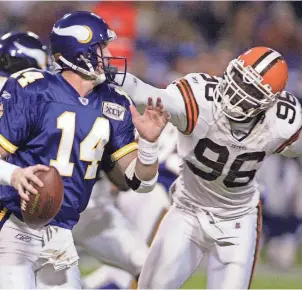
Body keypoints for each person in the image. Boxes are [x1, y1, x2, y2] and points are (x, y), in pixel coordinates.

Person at [0, 11, 169, 289]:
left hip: (62, 232)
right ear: (78, 51)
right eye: (101, 47)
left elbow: (142, 183)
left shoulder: (114, 103)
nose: (108, 53)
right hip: (15, 224)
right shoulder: (33, 89)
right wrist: (15, 176)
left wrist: (148, 144)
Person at [115, 46, 302, 288]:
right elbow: (145, 94)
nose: (237, 91)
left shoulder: (282, 123)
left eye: (250, 89)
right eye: (238, 78)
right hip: (187, 210)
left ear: (269, 101)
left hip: (237, 220)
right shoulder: (201, 98)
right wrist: (112, 76)